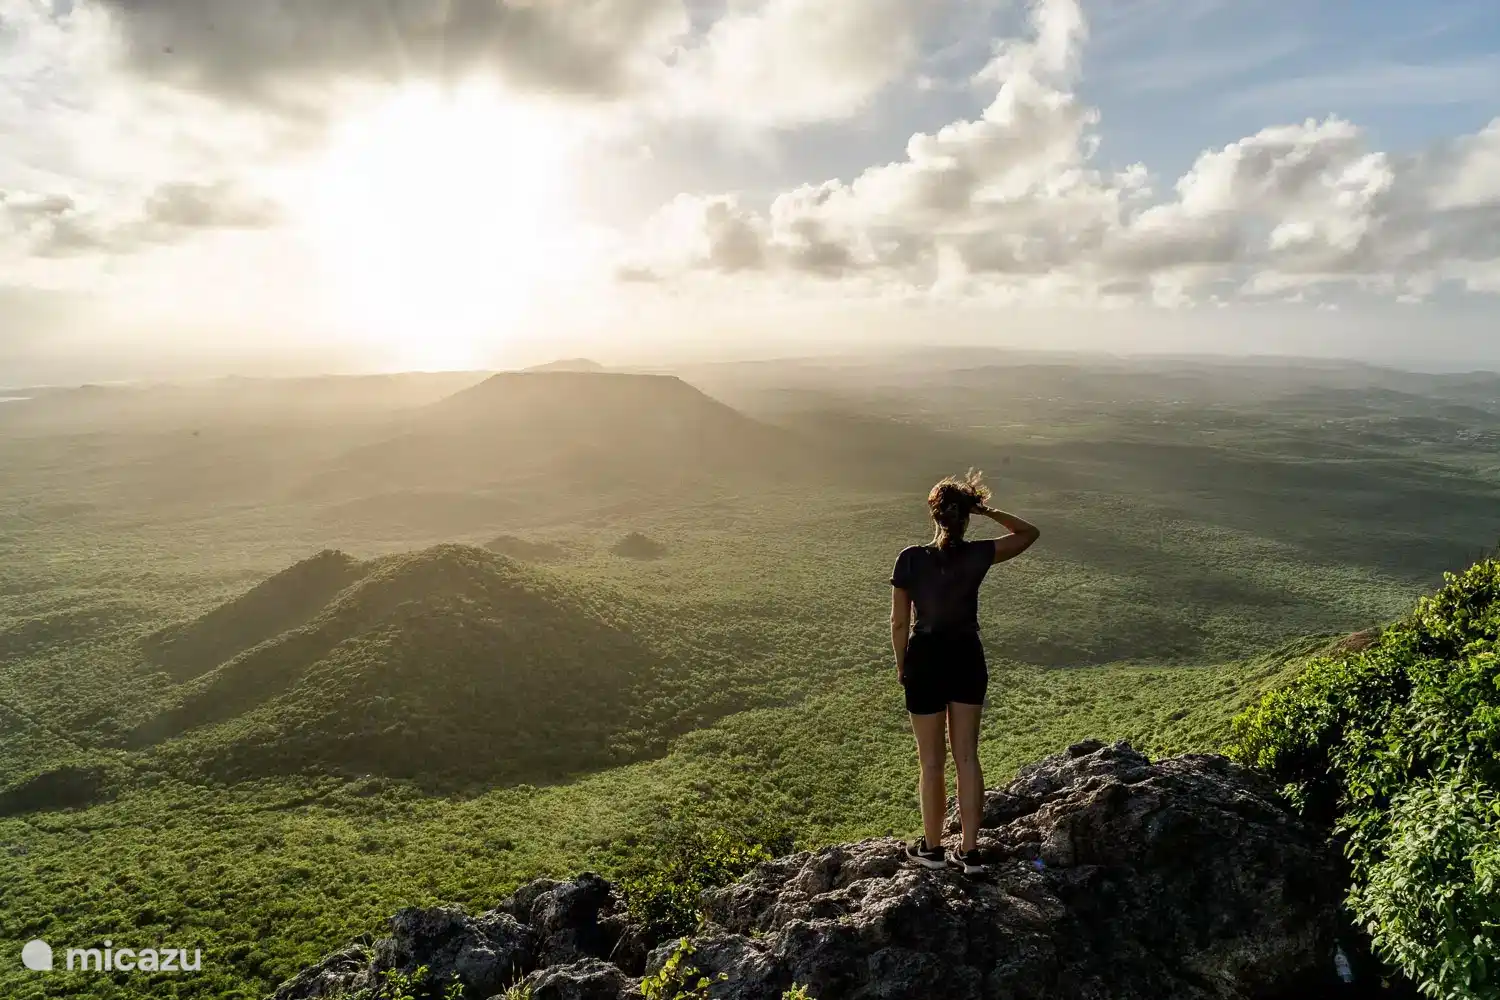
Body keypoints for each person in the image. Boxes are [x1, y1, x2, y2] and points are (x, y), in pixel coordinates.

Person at [890, 470, 1040, 874]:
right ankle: (970, 852)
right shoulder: (978, 555)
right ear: (966, 516)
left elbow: (899, 623)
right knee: (968, 757)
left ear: (934, 514)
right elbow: (1029, 533)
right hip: (967, 656)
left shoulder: (910, 559)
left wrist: (903, 664)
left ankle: (932, 849)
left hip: (925, 657)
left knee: (931, 762)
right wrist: (986, 511)